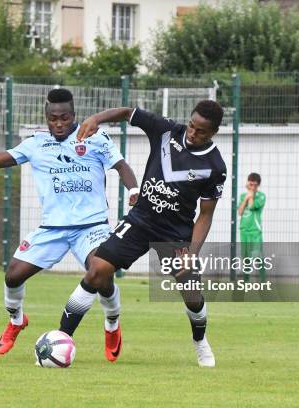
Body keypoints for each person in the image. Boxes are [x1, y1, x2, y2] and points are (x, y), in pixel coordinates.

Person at [0, 89, 139, 360]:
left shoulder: (95, 138)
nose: (58, 123)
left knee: (101, 273)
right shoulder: (36, 144)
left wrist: (134, 190)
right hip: (52, 229)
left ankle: (112, 323)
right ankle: (17, 320)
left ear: (73, 116)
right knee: (13, 275)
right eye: (52, 118)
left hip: (91, 226)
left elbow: (122, 166)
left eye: (64, 118)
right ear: (46, 117)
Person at [58, 100, 227, 367]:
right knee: (97, 270)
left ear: (214, 132)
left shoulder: (215, 166)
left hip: (175, 233)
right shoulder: (165, 131)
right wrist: (96, 119)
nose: (193, 133)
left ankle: (200, 341)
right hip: (140, 221)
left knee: (192, 296)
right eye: (192, 126)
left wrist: (192, 254)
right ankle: (60, 341)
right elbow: (127, 112)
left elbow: (205, 214)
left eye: (201, 131)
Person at [238, 173, 266, 281]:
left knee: (258, 255)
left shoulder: (261, 196)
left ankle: (263, 281)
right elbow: (240, 212)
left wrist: (250, 194)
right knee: (245, 257)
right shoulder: (242, 196)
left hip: (255, 231)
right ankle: (246, 281)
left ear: (258, 185)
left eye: (255, 185)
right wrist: (246, 198)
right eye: (251, 184)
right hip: (244, 230)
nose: (253, 187)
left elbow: (251, 205)